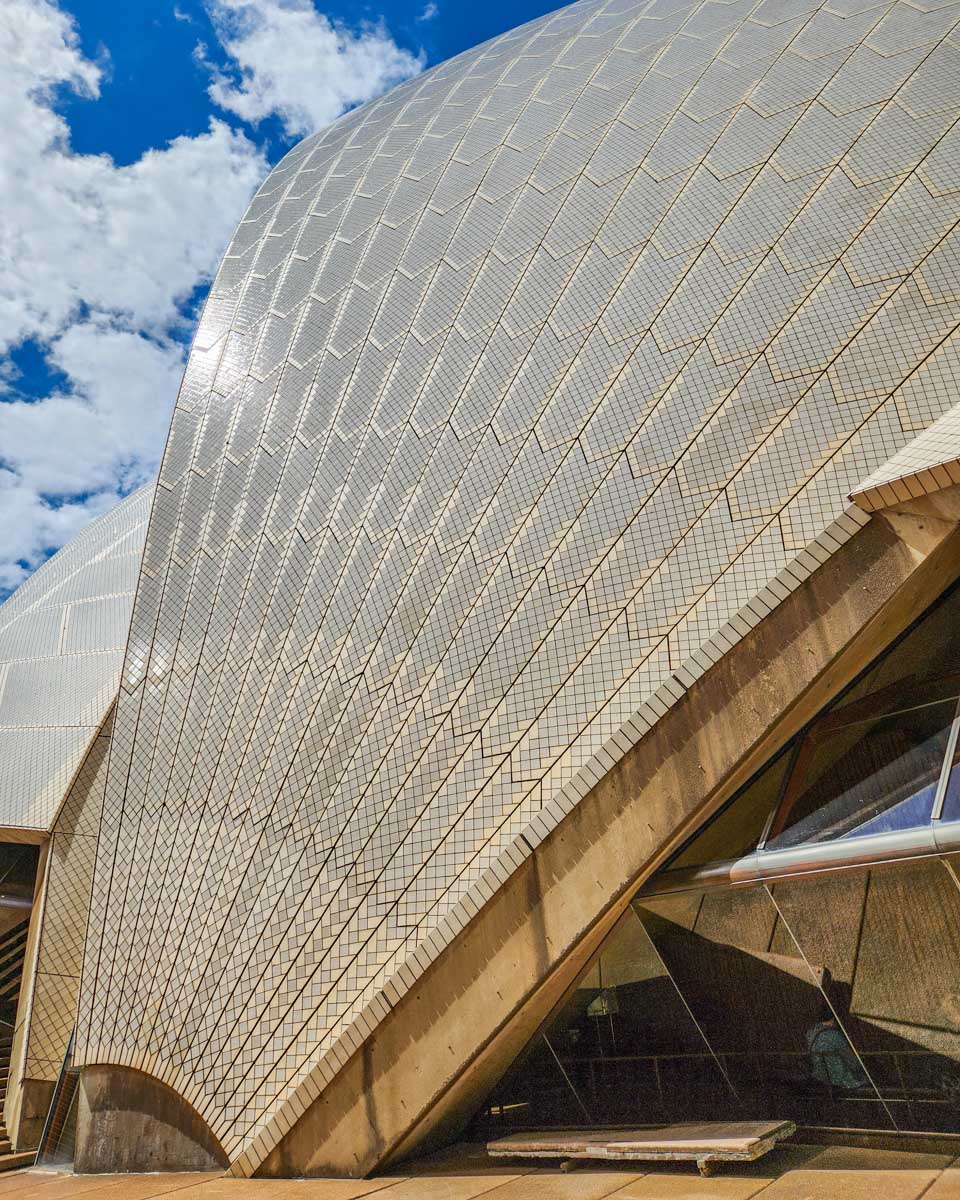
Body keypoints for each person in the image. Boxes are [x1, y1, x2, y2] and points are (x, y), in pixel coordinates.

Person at [807, 1007, 869, 1090]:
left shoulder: (811, 1034)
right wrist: (862, 1065)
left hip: (821, 1078)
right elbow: (851, 1061)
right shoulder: (835, 1036)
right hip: (840, 1080)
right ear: (833, 1019)